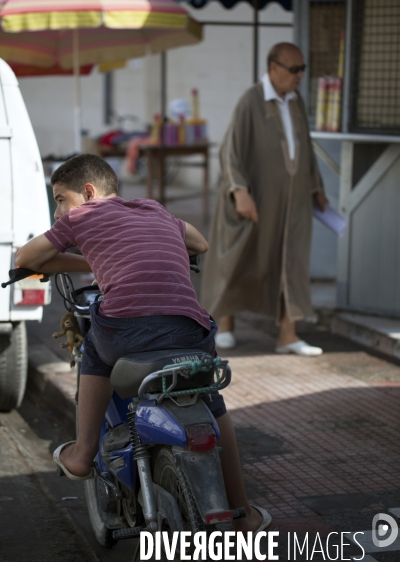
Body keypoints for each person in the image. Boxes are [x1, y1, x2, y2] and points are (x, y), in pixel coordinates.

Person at [15, 154, 269, 533]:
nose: (58, 211)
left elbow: (27, 257)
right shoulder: (153, 208)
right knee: (213, 403)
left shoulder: (81, 217)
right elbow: (199, 242)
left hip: (126, 332)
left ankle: (83, 453)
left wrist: (88, 260)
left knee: (94, 349)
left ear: (88, 192)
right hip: (191, 330)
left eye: (60, 198)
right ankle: (244, 512)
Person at [201, 43, 328, 355]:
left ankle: (288, 334)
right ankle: (225, 323)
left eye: (303, 70)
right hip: (256, 198)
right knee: (240, 258)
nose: (299, 76)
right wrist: (239, 191)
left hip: (293, 202)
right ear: (273, 68)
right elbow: (229, 150)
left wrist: (316, 186)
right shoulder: (251, 100)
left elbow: (306, 149)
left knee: (292, 262)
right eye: (293, 69)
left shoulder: (296, 102)